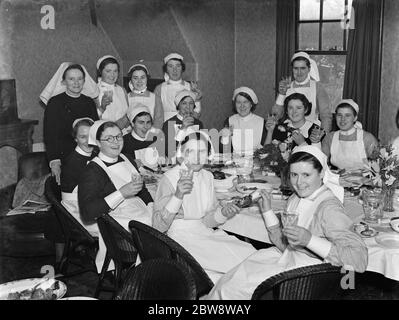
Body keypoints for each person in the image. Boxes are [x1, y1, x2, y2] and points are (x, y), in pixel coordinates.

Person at [207, 145, 368, 300]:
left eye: (306, 175)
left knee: (235, 290)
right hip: (288, 259)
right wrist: (267, 211)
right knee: (229, 281)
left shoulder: (329, 208)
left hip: (309, 277)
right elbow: (285, 244)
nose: (299, 182)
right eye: (294, 175)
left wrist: (310, 240)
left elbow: (358, 260)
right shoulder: (296, 198)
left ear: (321, 174)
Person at [153, 131, 257, 283]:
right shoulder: (169, 178)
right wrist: (178, 195)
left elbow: (207, 220)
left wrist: (223, 213)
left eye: (201, 152)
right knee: (234, 269)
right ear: (182, 153)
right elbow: (158, 226)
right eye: (190, 151)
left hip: (204, 233)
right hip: (179, 241)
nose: (196, 157)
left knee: (250, 255)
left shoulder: (207, 177)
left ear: (208, 154)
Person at [78, 120, 153, 271]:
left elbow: (143, 190)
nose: (116, 142)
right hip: (117, 227)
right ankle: (146, 275)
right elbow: (88, 212)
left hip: (139, 213)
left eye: (118, 136)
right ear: (98, 143)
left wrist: (152, 207)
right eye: (109, 138)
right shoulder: (92, 170)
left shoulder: (127, 158)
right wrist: (121, 193)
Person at [42, 63, 99, 185]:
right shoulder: (55, 103)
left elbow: (95, 132)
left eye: (79, 79)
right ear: (64, 82)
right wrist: (55, 162)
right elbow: (50, 134)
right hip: (64, 158)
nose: (76, 83)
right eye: (71, 79)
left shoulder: (89, 102)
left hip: (88, 155)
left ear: (84, 81)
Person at [274, 52, 332, 133]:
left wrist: (323, 136)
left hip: (312, 132)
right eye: (296, 68)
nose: (299, 72)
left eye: (303, 68)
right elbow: (276, 116)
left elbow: (326, 116)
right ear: (292, 69)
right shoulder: (286, 87)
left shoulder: (318, 87)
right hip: (290, 131)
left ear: (309, 69)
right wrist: (281, 94)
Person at [60, 117, 96, 234]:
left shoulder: (94, 154)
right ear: (75, 139)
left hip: (88, 202)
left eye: (90, 136)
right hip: (76, 210)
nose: (88, 141)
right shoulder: (72, 161)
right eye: (82, 137)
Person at [322, 99, 379, 171]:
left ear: (355, 118)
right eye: (339, 115)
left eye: (347, 115)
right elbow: (322, 163)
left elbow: (379, 165)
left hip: (363, 180)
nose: (342, 119)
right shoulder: (330, 138)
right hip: (337, 179)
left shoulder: (367, 138)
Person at [154, 53, 202, 122]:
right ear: (166, 69)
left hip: (187, 123)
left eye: (178, 66)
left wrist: (197, 99)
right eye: (170, 66)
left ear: (182, 68)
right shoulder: (159, 88)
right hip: (167, 125)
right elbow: (156, 114)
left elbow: (196, 113)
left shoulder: (190, 87)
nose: (174, 70)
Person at [220, 87, 267, 156]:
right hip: (234, 164)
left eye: (245, 102)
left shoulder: (261, 122)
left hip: (255, 163)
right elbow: (224, 151)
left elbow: (266, 149)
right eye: (239, 102)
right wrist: (225, 137)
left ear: (251, 104)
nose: (242, 106)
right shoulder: (229, 121)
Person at [162, 90, 204, 161]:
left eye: (191, 103)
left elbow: (203, 147)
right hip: (175, 163)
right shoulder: (169, 123)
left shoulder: (198, 123)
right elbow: (169, 151)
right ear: (178, 105)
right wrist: (183, 128)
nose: (188, 106)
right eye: (184, 103)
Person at [123, 104, 164, 171]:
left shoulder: (155, 138)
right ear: (132, 124)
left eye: (148, 122)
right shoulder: (124, 143)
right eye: (141, 122)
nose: (145, 126)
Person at [96, 55, 130, 131]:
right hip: (105, 133)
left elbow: (128, 113)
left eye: (115, 71)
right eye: (108, 71)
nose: (112, 75)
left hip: (124, 132)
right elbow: (93, 119)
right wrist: (102, 107)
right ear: (100, 72)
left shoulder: (122, 90)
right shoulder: (95, 91)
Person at [126, 62, 164, 129]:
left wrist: (150, 136)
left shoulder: (155, 98)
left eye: (142, 77)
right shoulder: (126, 97)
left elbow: (158, 120)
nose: (139, 81)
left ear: (147, 78)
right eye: (135, 78)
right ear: (131, 80)